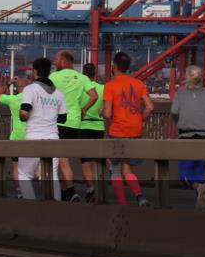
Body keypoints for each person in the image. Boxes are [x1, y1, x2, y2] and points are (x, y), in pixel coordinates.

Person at [102, 51, 153, 207]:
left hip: (117, 132)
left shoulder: (110, 86)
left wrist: (103, 111)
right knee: (128, 169)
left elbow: (108, 113)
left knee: (115, 170)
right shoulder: (139, 84)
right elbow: (150, 107)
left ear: (114, 66)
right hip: (135, 132)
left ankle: (123, 204)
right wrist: (140, 118)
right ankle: (140, 196)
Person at [171, 65, 205, 210]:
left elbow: (174, 112)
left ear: (187, 77)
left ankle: (199, 187)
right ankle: (200, 198)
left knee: (184, 175)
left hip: (186, 136)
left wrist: (181, 121)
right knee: (199, 171)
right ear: (202, 77)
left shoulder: (180, 94)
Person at [49, 50, 99, 202]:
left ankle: (71, 192)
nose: (55, 62)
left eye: (57, 59)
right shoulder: (82, 78)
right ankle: (71, 192)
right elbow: (94, 96)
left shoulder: (53, 77)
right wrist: (84, 109)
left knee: (63, 160)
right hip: (76, 123)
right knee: (72, 158)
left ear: (64, 61)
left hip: (59, 122)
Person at [17, 58, 67, 201]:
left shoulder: (30, 89)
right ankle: (56, 206)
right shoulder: (59, 93)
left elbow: (25, 113)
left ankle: (31, 205)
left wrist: (22, 115)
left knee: (24, 174)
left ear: (35, 71)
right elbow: (63, 119)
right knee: (52, 175)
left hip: (33, 137)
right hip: (53, 137)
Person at [0, 72, 32, 198]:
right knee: (37, 164)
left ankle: (19, 191)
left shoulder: (12, 100)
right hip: (32, 137)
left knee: (16, 167)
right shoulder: (33, 99)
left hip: (16, 137)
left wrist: (8, 83)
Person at [78, 62, 106, 203]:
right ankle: (100, 188)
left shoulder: (80, 88)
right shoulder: (103, 88)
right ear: (95, 74)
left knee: (86, 162)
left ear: (83, 74)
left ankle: (91, 188)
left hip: (83, 126)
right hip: (99, 127)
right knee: (99, 161)